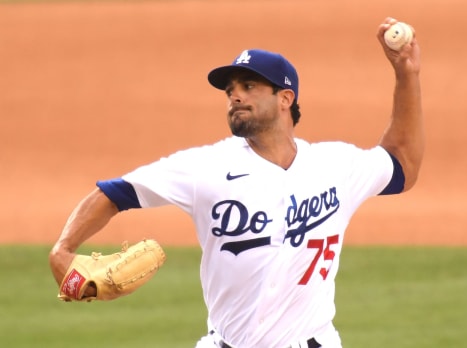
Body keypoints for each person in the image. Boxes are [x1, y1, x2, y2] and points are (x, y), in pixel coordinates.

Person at [49, 17, 424, 348]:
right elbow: (114, 193)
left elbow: (401, 164)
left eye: (249, 86)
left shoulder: (334, 165)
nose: (235, 96)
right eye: (230, 91)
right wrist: (63, 251)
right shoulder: (205, 167)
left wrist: (407, 75)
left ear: (285, 98)